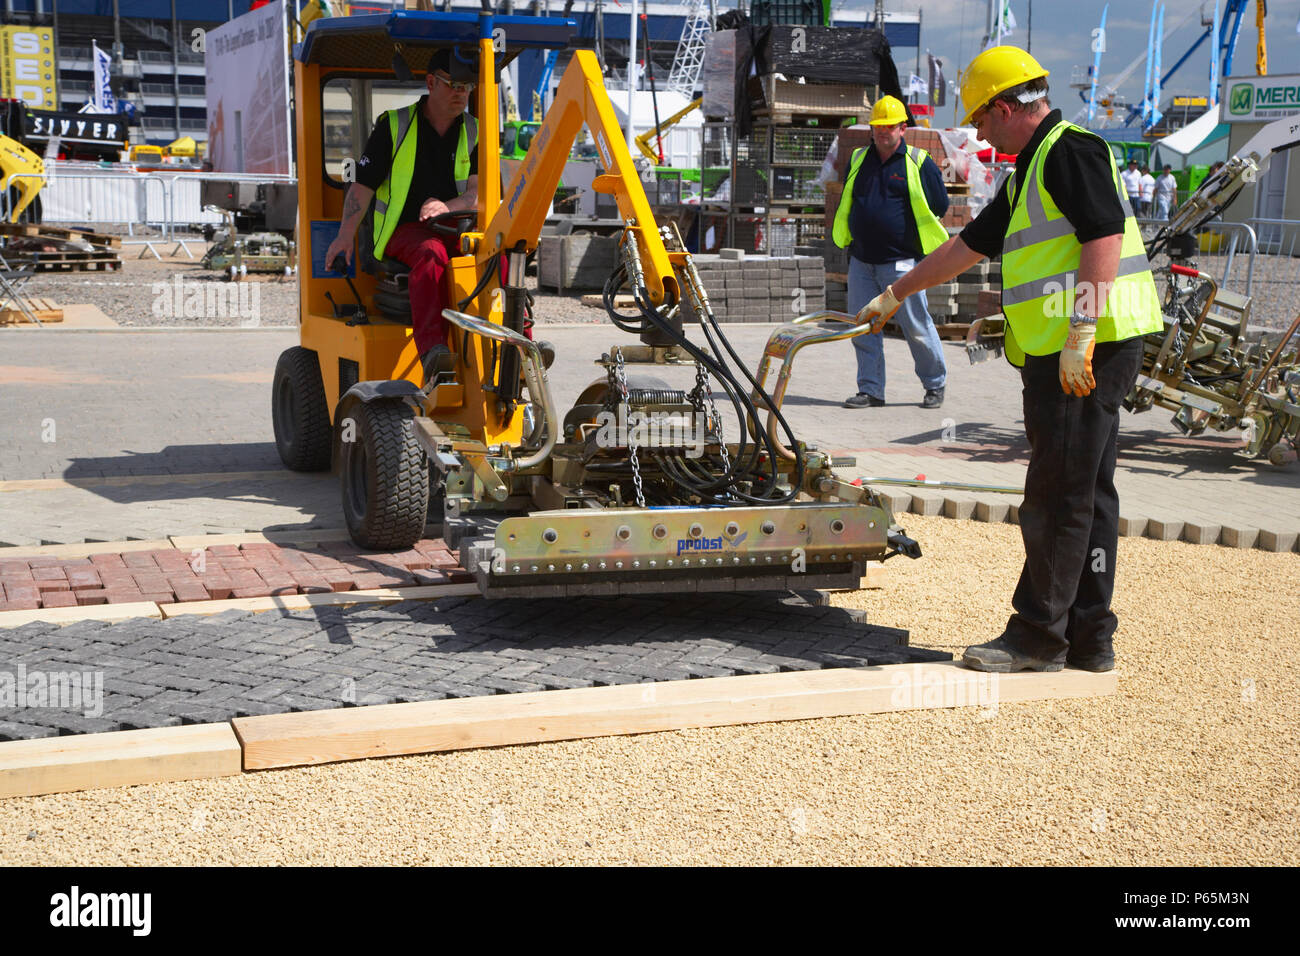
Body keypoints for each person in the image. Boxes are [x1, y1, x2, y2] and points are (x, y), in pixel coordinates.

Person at [854, 46, 1163, 673]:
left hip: (1082, 350)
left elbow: (1101, 236)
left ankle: (1037, 638)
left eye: (980, 120)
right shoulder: (1031, 167)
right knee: (1087, 493)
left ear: (1004, 106)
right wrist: (896, 293)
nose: (978, 134)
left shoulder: (1069, 151)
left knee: (1055, 495)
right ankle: (1088, 636)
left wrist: (1081, 328)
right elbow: (968, 245)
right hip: (1081, 347)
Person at [324, 50, 481, 382]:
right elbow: (362, 188)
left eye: (467, 86)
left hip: (456, 226)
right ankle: (433, 351)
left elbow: (477, 193)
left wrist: (446, 207)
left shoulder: (475, 132)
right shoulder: (394, 126)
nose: (461, 93)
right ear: (430, 82)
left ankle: (518, 341)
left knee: (497, 254)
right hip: (404, 231)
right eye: (453, 84)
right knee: (431, 254)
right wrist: (343, 236)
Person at [831, 94, 949, 410]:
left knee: (916, 325)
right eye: (878, 126)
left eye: (890, 127)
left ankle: (935, 385)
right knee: (863, 325)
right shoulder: (859, 159)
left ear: (902, 128)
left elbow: (940, 204)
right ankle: (871, 390)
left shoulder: (918, 161)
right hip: (862, 260)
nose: (883, 132)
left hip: (902, 261)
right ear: (872, 129)